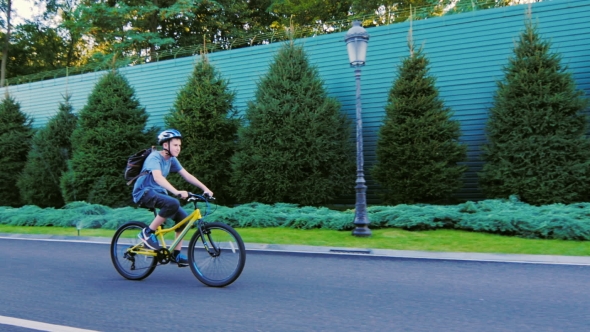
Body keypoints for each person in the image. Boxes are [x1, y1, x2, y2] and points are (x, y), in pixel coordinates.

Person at [132, 129, 213, 266]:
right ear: (165, 145)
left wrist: (205, 189)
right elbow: (157, 178)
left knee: (184, 219)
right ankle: (147, 233)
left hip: (158, 193)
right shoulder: (154, 157)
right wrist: (176, 191)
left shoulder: (172, 160)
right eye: (175, 145)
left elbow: (187, 175)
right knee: (173, 203)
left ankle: (176, 255)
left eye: (179, 145)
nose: (178, 148)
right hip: (143, 192)